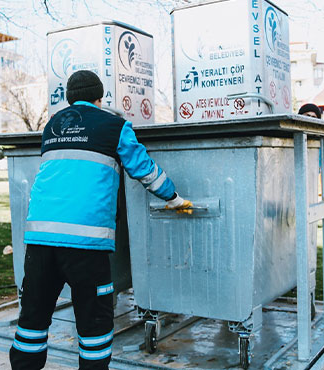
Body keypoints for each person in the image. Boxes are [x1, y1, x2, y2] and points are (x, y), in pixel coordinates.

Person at [10, 70, 193, 370]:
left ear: (69, 99)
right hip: (85, 242)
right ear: (100, 97)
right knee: (94, 320)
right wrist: (174, 198)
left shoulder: (52, 126)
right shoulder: (114, 125)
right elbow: (143, 169)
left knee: (33, 316)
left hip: (40, 238)